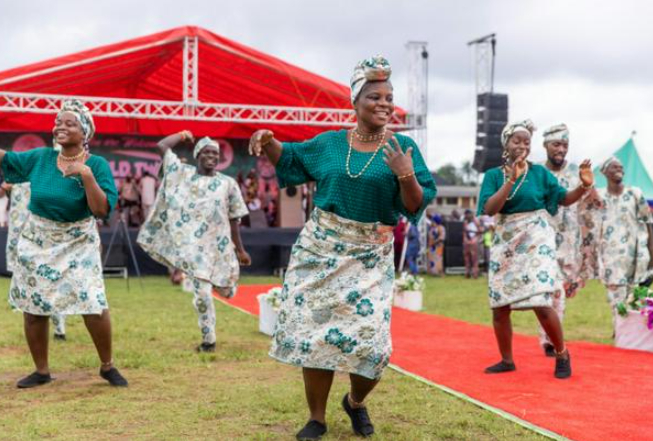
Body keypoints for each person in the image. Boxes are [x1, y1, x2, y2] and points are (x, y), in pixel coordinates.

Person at [249, 55, 436, 441]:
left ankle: (355, 402)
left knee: (372, 345)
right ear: (355, 101)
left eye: (389, 97)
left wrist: (405, 173)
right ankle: (316, 418)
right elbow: (291, 160)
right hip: (321, 250)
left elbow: (415, 205)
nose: (385, 103)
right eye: (375, 97)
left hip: (370, 255)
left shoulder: (404, 147)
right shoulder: (331, 143)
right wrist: (269, 141)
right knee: (316, 337)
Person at [0, 99, 127, 388]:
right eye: (58, 121)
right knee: (33, 307)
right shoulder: (41, 158)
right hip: (38, 241)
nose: (61, 125)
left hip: (78, 241)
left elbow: (101, 210)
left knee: (92, 302)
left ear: (85, 133)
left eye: (70, 123)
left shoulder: (96, 164)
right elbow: (6, 159)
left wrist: (86, 174)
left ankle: (107, 366)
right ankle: (41, 371)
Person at [477, 119, 594, 379]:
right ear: (505, 143)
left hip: (536, 237)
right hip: (506, 239)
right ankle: (507, 360)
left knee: (541, 299)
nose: (522, 145)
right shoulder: (494, 176)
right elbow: (489, 209)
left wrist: (583, 186)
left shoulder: (540, 174)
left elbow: (563, 199)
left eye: (526, 142)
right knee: (500, 306)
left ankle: (562, 354)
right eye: (516, 140)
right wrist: (510, 180)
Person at [138, 132, 251, 353]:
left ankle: (219, 286)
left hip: (220, 248)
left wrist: (240, 250)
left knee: (227, 291)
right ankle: (209, 340)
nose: (212, 156)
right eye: (207, 152)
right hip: (193, 250)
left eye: (215, 153)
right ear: (197, 155)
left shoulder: (227, 184)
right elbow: (161, 145)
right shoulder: (183, 174)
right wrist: (181, 136)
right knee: (202, 294)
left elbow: (234, 218)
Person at [537, 124, 596, 356]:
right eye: (556, 144)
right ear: (545, 146)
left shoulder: (575, 172)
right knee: (552, 291)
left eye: (565, 145)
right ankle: (550, 341)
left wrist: (590, 187)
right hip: (542, 239)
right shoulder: (536, 172)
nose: (561, 149)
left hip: (570, 241)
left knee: (561, 291)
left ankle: (551, 338)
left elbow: (590, 207)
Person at [4, 181, 68, 341]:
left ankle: (58, 326)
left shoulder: (40, 179)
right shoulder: (28, 180)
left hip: (44, 240)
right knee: (44, 285)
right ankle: (57, 328)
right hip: (33, 241)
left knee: (50, 283)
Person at [595, 157, 653, 322]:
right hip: (611, 259)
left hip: (636, 258)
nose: (619, 169)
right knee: (616, 299)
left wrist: (651, 252)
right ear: (605, 172)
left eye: (621, 167)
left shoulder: (635, 193)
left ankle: (630, 336)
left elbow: (648, 222)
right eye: (614, 167)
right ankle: (619, 332)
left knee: (636, 298)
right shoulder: (599, 196)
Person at [462, 209, 481, 278]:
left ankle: (475, 273)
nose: (466, 215)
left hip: (474, 242)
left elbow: (480, 232)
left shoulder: (476, 221)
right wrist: (465, 239)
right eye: (466, 214)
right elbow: (464, 232)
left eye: (468, 214)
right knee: (467, 258)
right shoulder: (465, 222)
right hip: (467, 242)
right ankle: (467, 273)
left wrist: (475, 239)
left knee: (474, 258)